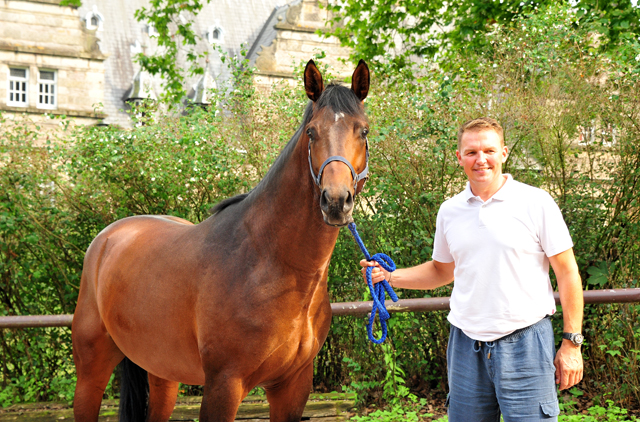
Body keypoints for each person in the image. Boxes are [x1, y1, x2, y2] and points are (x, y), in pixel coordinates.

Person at [361, 117, 584, 421]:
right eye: (471, 152)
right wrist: (388, 277)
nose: (481, 160)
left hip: (527, 344)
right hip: (466, 347)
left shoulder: (536, 202)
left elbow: (568, 272)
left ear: (504, 153)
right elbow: (442, 271)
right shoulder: (450, 211)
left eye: (489, 151)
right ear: (459, 158)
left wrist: (572, 343)